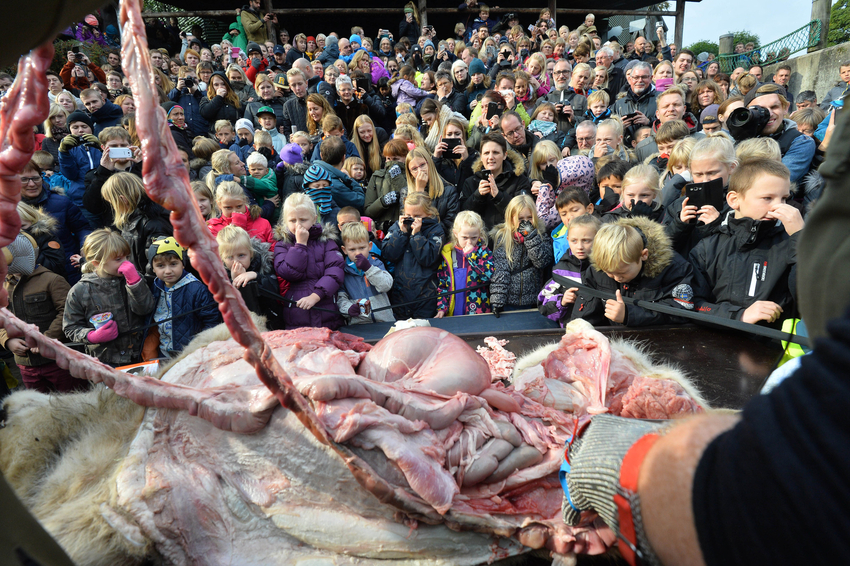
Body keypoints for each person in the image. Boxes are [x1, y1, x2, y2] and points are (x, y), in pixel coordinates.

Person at [690, 159, 802, 325]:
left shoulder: (791, 242)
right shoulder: (708, 247)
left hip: (771, 346)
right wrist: (739, 316)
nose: (779, 206)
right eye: (767, 198)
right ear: (734, 200)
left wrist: (800, 240)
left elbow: (812, 301)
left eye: (784, 198)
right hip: (715, 344)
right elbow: (691, 304)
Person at [571, 216, 696, 326]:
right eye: (609, 272)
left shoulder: (674, 269)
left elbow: (682, 311)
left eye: (622, 273)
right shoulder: (597, 271)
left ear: (643, 255)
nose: (616, 278)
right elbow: (585, 313)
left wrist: (630, 314)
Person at [63, 229, 155, 367]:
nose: (126, 263)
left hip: (139, 355)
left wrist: (135, 283)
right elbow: (70, 327)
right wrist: (91, 336)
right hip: (105, 362)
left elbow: (146, 309)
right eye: (118, 259)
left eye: (127, 257)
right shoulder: (80, 291)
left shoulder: (133, 278)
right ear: (96, 263)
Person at [0, 233, 78, 393]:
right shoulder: (4, 286)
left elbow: (68, 311)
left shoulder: (52, 280)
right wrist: (7, 341)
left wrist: (47, 338)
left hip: (58, 361)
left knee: (71, 402)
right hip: (26, 364)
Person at [273, 192, 345, 330]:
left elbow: (335, 272)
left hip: (326, 307)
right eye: (293, 221)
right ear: (285, 222)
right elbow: (288, 272)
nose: (298, 225)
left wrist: (316, 295)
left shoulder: (326, 242)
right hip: (297, 311)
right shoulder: (282, 245)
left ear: (314, 219)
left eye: (303, 219)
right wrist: (300, 245)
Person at [146, 238, 221, 359]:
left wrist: (201, 347)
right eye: (160, 266)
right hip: (163, 353)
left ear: (183, 263)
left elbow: (212, 322)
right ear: (153, 268)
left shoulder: (197, 289)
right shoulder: (154, 288)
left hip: (192, 354)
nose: (168, 271)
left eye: (173, 264)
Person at [20, 158, 91, 281]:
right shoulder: (7, 209)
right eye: (24, 179)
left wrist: (85, 246)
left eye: (35, 178)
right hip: (30, 276)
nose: (31, 184)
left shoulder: (61, 202)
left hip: (69, 269)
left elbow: (82, 227)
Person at [382, 191, 444, 319]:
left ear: (428, 214)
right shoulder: (397, 227)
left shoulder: (435, 230)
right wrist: (401, 233)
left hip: (426, 296)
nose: (411, 219)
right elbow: (388, 254)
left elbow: (429, 258)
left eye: (417, 216)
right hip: (401, 295)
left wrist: (417, 235)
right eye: (408, 215)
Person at [490, 194, 554, 316]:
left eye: (529, 218)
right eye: (520, 219)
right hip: (509, 300)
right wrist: (497, 301)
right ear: (511, 218)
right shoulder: (503, 238)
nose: (525, 222)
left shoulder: (540, 236)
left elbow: (541, 262)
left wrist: (531, 237)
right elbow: (501, 271)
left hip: (532, 300)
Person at [100, 172, 173, 277]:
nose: (113, 207)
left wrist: (140, 284)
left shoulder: (153, 223)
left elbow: (159, 263)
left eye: (112, 203)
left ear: (123, 200)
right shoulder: (131, 220)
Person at [744, 84, 816, 186]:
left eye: (774, 107)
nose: (769, 113)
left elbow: (774, 183)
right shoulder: (742, 136)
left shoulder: (802, 142)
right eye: (760, 109)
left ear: (786, 108)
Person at [538, 213, 601, 326]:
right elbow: (543, 304)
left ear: (598, 239)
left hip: (602, 332)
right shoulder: (561, 270)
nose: (579, 246)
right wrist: (562, 301)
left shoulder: (606, 267)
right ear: (567, 239)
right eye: (574, 241)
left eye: (586, 240)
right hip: (572, 333)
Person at [462, 133, 532, 230]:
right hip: (479, 241)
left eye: (495, 152)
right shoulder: (470, 182)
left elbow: (523, 214)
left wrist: (499, 196)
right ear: (481, 156)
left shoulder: (519, 180)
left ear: (504, 155)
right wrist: (477, 196)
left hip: (510, 239)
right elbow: (463, 216)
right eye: (486, 153)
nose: (491, 157)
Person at [216, 225, 282, 327]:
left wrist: (256, 276)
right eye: (230, 257)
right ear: (222, 258)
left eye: (241, 255)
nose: (236, 261)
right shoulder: (220, 276)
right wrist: (234, 282)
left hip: (269, 322)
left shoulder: (263, 265)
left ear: (250, 253)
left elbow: (274, 288)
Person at [435, 210, 493, 317]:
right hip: (454, 309)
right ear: (456, 234)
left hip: (478, 309)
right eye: (465, 238)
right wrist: (442, 307)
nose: (469, 242)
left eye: (474, 237)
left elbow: (488, 276)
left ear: (479, 233)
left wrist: (472, 256)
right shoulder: (448, 254)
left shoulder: (484, 252)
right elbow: (443, 285)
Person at [336, 222, 395, 324]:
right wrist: (348, 308)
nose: (358, 253)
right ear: (344, 250)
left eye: (362, 248)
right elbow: (340, 299)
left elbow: (386, 285)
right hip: (359, 325)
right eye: (352, 249)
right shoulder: (343, 271)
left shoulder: (376, 263)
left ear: (370, 246)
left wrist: (368, 268)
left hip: (384, 322)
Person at [405, 147, 460, 237]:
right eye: (414, 169)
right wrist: (419, 192)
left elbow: (448, 227)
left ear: (430, 164)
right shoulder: (405, 192)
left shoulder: (449, 191)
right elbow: (406, 226)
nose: (420, 171)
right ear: (410, 173)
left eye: (422, 165)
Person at [57, 111, 102, 215]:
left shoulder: (101, 142)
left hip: (106, 197)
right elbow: (70, 175)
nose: (80, 130)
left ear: (91, 128)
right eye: (75, 127)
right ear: (70, 130)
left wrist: (101, 147)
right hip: (81, 200)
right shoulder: (68, 148)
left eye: (84, 126)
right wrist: (63, 153)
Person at [207, 181, 275, 245]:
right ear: (219, 205)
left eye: (239, 206)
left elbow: (273, 250)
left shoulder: (263, 223)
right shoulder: (212, 227)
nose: (235, 212)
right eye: (228, 208)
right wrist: (237, 226)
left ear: (244, 200)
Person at [364, 139, 410, 232]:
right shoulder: (377, 176)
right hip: (382, 229)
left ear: (405, 157)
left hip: (405, 228)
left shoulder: (412, 175)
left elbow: (413, 200)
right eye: (388, 159)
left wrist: (398, 178)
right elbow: (368, 212)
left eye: (396, 159)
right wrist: (383, 202)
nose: (391, 162)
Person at [549, 187, 596, 262]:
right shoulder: (558, 236)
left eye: (575, 210)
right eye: (564, 214)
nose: (569, 217)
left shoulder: (600, 231)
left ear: (589, 209)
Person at [200, 71, 242, 136]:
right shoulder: (206, 99)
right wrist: (218, 97)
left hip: (234, 136)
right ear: (212, 86)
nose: (220, 87)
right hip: (215, 137)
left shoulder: (235, 99)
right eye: (216, 85)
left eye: (223, 84)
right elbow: (206, 113)